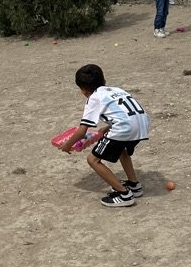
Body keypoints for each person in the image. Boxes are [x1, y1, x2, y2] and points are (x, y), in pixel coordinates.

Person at [59, 64, 150, 208]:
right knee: (122, 150)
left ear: (83, 90)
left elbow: (82, 131)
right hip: (142, 124)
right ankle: (134, 185)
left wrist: (67, 145)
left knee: (93, 160)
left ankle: (123, 194)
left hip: (124, 128)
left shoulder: (94, 98)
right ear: (104, 80)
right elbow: (125, 114)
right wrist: (106, 129)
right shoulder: (117, 90)